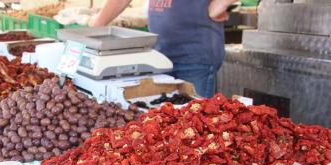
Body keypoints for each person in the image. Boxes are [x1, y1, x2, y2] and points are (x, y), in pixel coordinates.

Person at [89, 0, 237, 97]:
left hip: (194, 57)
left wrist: (222, 3)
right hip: (160, 57)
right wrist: (94, 29)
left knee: (193, 124)